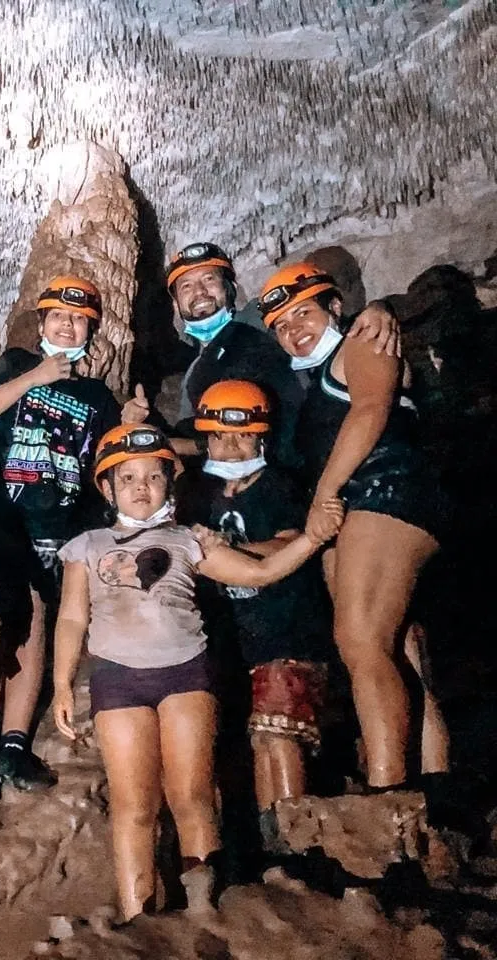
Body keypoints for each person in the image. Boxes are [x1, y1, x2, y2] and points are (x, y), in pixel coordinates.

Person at [52, 423, 343, 918]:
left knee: (192, 795)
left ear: (170, 483)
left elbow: (258, 572)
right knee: (133, 806)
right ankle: (137, 917)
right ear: (107, 487)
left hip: (185, 676)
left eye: (153, 477)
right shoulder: (87, 545)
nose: (141, 488)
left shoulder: (188, 539)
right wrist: (62, 683)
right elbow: (72, 617)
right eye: (127, 478)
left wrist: (312, 539)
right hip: (118, 680)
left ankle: (203, 912)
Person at [0, 276, 149, 803]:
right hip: (1, 518)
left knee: (37, 622)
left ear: (92, 331)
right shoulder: (17, 364)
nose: (68, 326)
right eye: (59, 317)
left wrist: (130, 423)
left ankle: (13, 745)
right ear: (41, 323)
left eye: (79, 320)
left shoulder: (95, 396)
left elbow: (104, 461)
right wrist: (36, 376)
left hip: (57, 525)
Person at [259, 262, 449, 789]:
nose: (294, 329)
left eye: (303, 313)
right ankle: (436, 787)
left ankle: (391, 788)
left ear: (335, 307)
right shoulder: (316, 379)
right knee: (396, 650)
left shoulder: (363, 341)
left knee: (362, 640)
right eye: (281, 325)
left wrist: (324, 494)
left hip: (385, 491)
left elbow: (370, 410)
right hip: (359, 505)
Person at [178, 380, 334, 845]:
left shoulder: (280, 487)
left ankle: (295, 850)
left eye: (243, 436)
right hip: (231, 644)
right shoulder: (196, 493)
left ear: (262, 437)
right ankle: (262, 851)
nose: (230, 447)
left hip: (287, 633)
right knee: (244, 748)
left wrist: (228, 550)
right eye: (220, 436)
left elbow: (290, 543)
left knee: (278, 737)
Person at [163, 242, 399, 465]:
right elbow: (199, 438)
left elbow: (321, 316)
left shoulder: (259, 318)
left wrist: (378, 309)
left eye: (209, 279)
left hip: (322, 443)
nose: (200, 292)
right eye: (186, 286)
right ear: (175, 305)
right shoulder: (194, 373)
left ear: (230, 288)